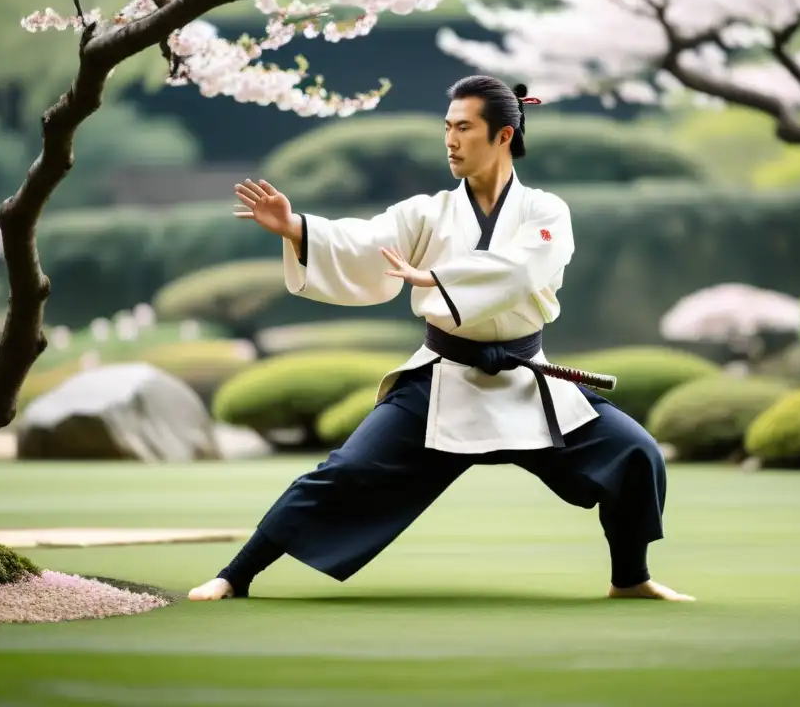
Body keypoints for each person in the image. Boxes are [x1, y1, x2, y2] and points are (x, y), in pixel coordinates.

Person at [188, 75, 694, 603]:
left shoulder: (546, 211)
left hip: (525, 380)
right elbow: (363, 243)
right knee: (345, 472)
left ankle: (630, 578)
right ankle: (234, 575)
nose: (450, 140)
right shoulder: (426, 212)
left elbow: (524, 268)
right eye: (447, 127)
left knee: (635, 452)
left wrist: (437, 278)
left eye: (464, 128)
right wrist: (296, 228)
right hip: (441, 379)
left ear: (503, 135)